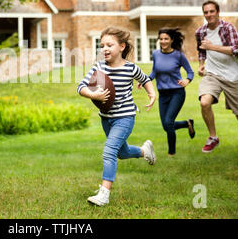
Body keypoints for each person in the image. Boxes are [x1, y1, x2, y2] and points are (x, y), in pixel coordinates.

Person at [77, 26, 157, 207]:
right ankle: (145, 151)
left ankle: (104, 194)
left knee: (109, 151)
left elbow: (145, 79)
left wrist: (152, 94)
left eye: (109, 45)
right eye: (102, 45)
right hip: (106, 117)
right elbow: (80, 87)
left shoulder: (130, 68)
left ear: (122, 46)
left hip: (125, 117)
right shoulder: (98, 67)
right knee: (122, 153)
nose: (104, 48)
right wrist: (93, 95)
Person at [195, 0, 238, 154]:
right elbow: (202, 50)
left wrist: (212, 47)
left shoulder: (228, 28)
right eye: (206, 12)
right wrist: (201, 64)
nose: (209, 15)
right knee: (204, 102)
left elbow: (237, 49)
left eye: (212, 11)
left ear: (218, 12)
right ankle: (213, 137)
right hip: (212, 73)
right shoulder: (200, 32)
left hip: (232, 76)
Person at [141, 28, 195, 157]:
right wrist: (145, 80)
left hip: (177, 93)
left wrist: (187, 81)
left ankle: (171, 153)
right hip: (163, 94)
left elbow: (190, 72)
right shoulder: (156, 54)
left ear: (171, 40)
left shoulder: (179, 55)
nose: (163, 41)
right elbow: (155, 71)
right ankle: (187, 123)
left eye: (166, 39)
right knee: (166, 126)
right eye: (161, 39)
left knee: (169, 122)